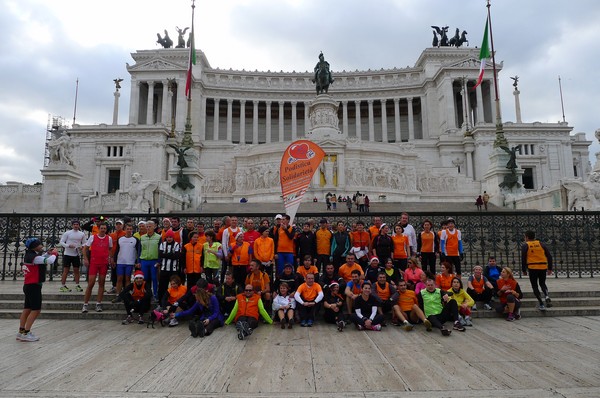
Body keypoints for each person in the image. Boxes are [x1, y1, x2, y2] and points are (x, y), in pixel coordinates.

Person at [17, 238, 57, 342]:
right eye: (39, 244)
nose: (41, 245)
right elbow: (49, 261)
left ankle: (21, 332)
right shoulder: (34, 257)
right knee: (36, 310)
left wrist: (48, 253)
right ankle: (26, 332)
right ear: (34, 246)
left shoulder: (30, 255)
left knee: (27, 308)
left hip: (28, 285)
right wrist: (54, 254)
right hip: (34, 286)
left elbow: (41, 259)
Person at [82, 223, 113, 313]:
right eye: (102, 228)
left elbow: (111, 249)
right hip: (94, 263)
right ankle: (85, 304)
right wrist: (86, 259)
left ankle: (98, 303)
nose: (103, 230)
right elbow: (85, 248)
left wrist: (110, 258)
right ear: (98, 229)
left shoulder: (109, 238)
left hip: (103, 263)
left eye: (105, 228)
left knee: (101, 283)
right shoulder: (93, 237)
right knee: (91, 283)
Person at [522, 230, 553, 311]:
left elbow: (523, 258)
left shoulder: (526, 245)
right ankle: (546, 296)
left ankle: (541, 304)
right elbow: (549, 256)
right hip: (543, 267)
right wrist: (550, 268)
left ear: (527, 237)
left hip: (532, 268)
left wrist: (523, 269)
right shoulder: (541, 244)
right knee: (542, 283)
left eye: (525, 237)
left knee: (535, 285)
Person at [58, 219, 86, 292]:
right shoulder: (67, 233)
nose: (76, 226)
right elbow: (61, 242)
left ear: (79, 225)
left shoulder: (82, 234)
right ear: (72, 225)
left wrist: (81, 247)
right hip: (67, 254)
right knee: (66, 270)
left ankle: (77, 285)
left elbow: (84, 243)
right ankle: (63, 285)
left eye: (77, 224)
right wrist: (68, 245)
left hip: (76, 254)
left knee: (76, 270)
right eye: (74, 224)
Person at [114, 224, 140, 299]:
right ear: (125, 230)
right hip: (120, 262)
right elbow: (117, 250)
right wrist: (115, 260)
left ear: (132, 230)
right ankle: (118, 295)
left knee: (127, 279)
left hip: (130, 262)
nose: (129, 230)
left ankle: (126, 294)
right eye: (127, 229)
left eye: (130, 229)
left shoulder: (135, 240)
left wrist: (137, 261)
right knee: (119, 278)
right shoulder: (120, 239)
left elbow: (138, 252)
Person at [138, 220, 161, 300]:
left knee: (154, 278)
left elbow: (160, 250)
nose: (148, 228)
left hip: (153, 260)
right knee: (145, 278)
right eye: (147, 227)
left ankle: (155, 294)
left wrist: (159, 261)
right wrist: (139, 261)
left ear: (154, 227)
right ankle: (147, 294)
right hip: (144, 260)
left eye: (150, 226)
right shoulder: (142, 237)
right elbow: (139, 250)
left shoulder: (158, 237)